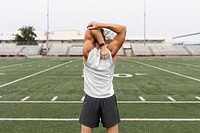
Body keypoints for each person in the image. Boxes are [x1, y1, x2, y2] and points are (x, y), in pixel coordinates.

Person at [79, 21, 126, 133]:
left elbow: (91, 26)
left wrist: (101, 43)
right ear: (104, 37)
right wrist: (101, 26)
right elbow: (123, 29)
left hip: (91, 98)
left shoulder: (88, 52)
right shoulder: (111, 51)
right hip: (108, 98)